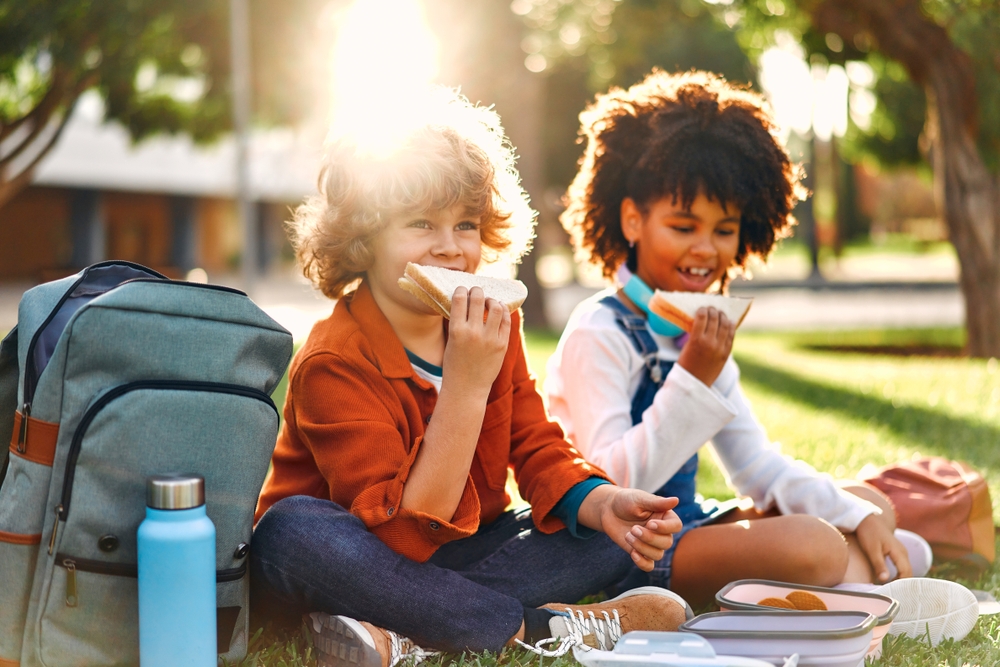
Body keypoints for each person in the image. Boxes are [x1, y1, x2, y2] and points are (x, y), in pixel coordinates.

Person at [249, 88, 691, 667]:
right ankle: (538, 628)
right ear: (363, 237)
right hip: (352, 560)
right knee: (290, 530)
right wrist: (465, 384)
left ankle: (401, 636)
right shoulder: (334, 360)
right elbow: (398, 540)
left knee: (600, 538)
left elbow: (536, 445)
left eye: (465, 224)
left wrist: (602, 502)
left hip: (455, 556)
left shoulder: (493, 320)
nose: (451, 248)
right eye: (420, 224)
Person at [544, 70, 931, 608]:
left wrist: (860, 513)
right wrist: (693, 376)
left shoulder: (694, 332)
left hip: (689, 525)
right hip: (615, 553)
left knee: (870, 502)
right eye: (683, 227)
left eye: (724, 230)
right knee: (817, 544)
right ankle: (863, 568)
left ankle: (863, 561)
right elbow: (613, 482)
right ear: (632, 220)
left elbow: (757, 468)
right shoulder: (599, 329)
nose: (706, 249)